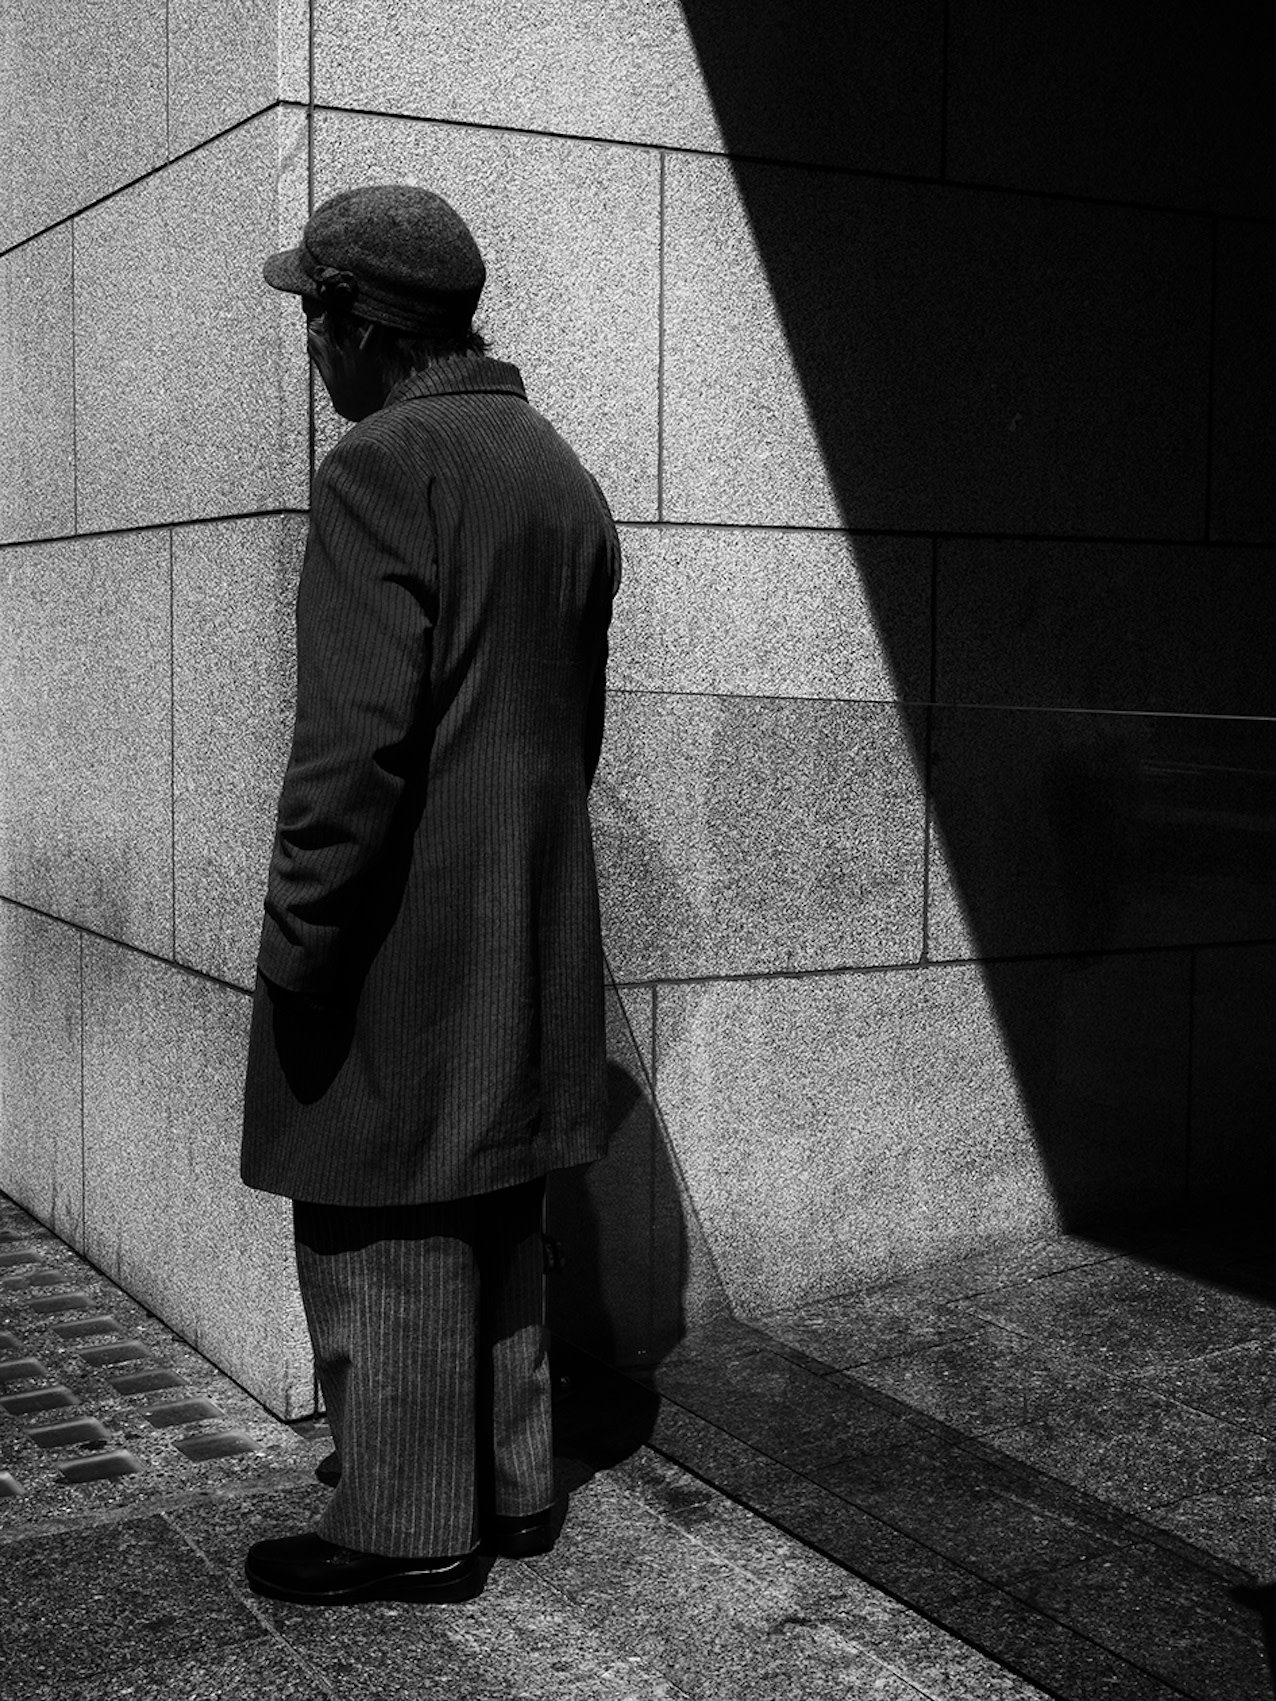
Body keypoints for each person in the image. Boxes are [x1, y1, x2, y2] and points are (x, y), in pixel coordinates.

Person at [238, 184, 620, 1606]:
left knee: (377, 1206)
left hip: (404, 928)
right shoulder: (556, 470)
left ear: (360, 327)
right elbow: (572, 731)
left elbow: (351, 751)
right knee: (496, 1198)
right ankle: (512, 1487)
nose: (312, 355)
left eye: (313, 321)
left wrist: (300, 941)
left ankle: (403, 1521)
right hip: (529, 919)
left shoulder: (382, 472)